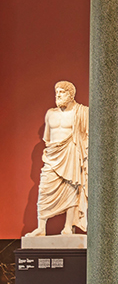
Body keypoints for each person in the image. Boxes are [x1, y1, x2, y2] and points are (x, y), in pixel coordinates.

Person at [26, 81, 89, 236]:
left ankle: (68, 227)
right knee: (44, 189)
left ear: (71, 94)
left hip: (72, 152)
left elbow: (89, 135)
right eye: (57, 92)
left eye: (62, 92)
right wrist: (54, 151)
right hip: (53, 156)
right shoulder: (50, 114)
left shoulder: (82, 112)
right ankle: (41, 228)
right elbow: (47, 138)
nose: (58, 95)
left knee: (71, 187)